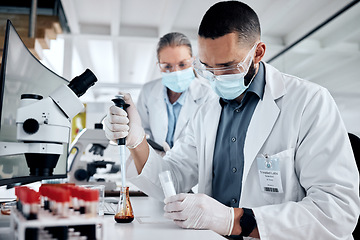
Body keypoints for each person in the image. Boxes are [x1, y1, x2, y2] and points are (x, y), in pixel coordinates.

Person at [104, 1, 360, 239]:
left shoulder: (309, 102)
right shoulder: (206, 112)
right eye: (207, 67)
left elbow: (336, 210)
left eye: (227, 67)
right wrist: (136, 141)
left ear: (258, 52)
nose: (216, 77)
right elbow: (171, 180)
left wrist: (233, 221)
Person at [136, 32, 214, 151]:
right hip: (156, 161)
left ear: (192, 62)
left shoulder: (207, 94)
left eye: (182, 64)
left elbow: (208, 140)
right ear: (159, 66)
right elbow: (142, 130)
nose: (176, 72)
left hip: (191, 166)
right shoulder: (148, 91)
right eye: (167, 66)